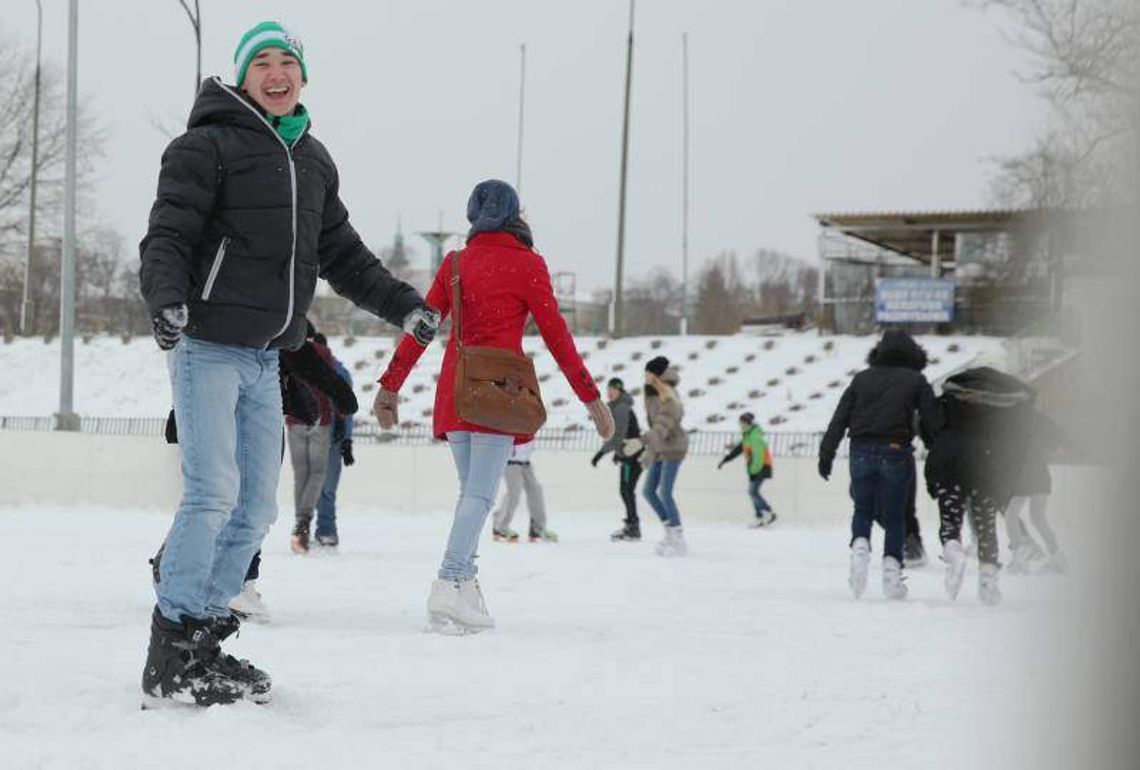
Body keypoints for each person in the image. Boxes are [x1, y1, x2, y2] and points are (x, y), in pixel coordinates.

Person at [138, 20, 437, 707]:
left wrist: (403, 306)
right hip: (207, 345)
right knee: (211, 494)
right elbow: (169, 234)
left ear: (303, 76)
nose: (276, 74)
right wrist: (166, 299)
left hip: (266, 357)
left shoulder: (312, 159)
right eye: (262, 63)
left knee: (254, 509)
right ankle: (170, 647)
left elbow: (345, 256)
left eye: (287, 63)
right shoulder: (204, 146)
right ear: (243, 77)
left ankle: (204, 635)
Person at [375, 179, 614, 635]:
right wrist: (590, 396)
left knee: (472, 493)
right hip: (498, 392)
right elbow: (557, 336)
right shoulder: (528, 264)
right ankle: (448, 582)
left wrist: (391, 384)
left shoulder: (456, 263)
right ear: (515, 215)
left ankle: (466, 586)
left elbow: (424, 327)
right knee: (481, 496)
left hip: (457, 389)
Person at [819, 330, 940, 601]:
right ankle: (892, 574)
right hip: (896, 449)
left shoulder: (861, 379)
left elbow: (839, 418)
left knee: (862, 508)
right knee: (895, 515)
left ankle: (860, 550)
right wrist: (938, 449)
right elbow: (932, 422)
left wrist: (826, 454)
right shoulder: (915, 379)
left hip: (860, 449)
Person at [924, 367, 1041, 605]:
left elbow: (927, 423)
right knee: (986, 524)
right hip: (987, 466)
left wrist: (938, 444)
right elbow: (1021, 441)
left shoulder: (949, 398)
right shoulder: (1009, 405)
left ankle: (953, 551)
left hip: (950, 462)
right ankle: (988, 580)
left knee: (950, 519)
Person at [287, 325, 339, 554]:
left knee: (301, 474)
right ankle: (304, 520)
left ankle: (300, 524)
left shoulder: (288, 350)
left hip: (296, 418)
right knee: (317, 472)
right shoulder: (324, 353)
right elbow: (333, 384)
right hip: (321, 418)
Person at [634, 356, 690, 557]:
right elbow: (657, 430)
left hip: (674, 447)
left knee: (665, 492)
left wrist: (642, 441)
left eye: (648, 372)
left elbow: (662, 426)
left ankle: (678, 538)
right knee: (649, 491)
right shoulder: (652, 394)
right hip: (661, 447)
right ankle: (669, 532)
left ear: (655, 375)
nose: (645, 376)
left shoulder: (669, 396)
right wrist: (650, 453)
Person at [591, 377, 645, 541]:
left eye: (613, 390)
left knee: (626, 490)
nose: (610, 392)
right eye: (608, 389)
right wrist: (618, 453)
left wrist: (600, 454)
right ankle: (631, 525)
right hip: (628, 454)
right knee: (626, 490)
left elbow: (617, 436)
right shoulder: (619, 407)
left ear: (620, 391)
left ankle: (633, 527)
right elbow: (627, 434)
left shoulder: (621, 408)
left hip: (632, 457)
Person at [314, 334, 355, 549]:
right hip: (312, 433)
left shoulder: (339, 372)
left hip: (332, 435)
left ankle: (326, 530)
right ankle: (315, 530)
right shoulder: (305, 370)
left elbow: (347, 410)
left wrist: (347, 440)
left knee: (326, 487)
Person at [718, 411, 776, 528]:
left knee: (752, 492)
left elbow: (758, 456)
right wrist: (725, 460)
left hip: (761, 467)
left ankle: (768, 512)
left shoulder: (754, 436)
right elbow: (738, 450)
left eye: (742, 423)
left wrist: (754, 471)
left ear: (748, 423)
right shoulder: (747, 436)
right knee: (752, 492)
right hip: (755, 468)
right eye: (740, 423)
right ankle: (760, 516)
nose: (740, 425)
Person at [491, 440, 557, 543]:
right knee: (514, 493)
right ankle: (500, 526)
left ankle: (537, 528)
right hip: (510, 463)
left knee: (536, 490)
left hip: (525, 463)